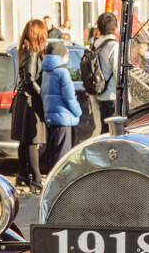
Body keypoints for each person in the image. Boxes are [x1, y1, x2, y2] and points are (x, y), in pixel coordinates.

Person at [10, 19, 48, 192]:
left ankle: (23, 175)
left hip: (23, 99)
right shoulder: (32, 52)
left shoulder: (25, 50)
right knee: (33, 141)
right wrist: (42, 93)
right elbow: (30, 79)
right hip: (29, 100)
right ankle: (37, 179)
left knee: (25, 142)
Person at [41, 40, 83, 168]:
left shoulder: (46, 71)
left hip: (51, 118)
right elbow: (69, 97)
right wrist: (78, 112)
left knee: (53, 153)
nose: (68, 58)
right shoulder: (63, 72)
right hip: (64, 118)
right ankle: (60, 184)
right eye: (67, 55)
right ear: (61, 56)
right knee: (62, 156)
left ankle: (51, 181)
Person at [89, 12, 120, 133]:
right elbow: (117, 70)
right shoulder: (113, 46)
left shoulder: (95, 44)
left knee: (104, 129)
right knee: (114, 131)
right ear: (115, 27)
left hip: (100, 92)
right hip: (112, 94)